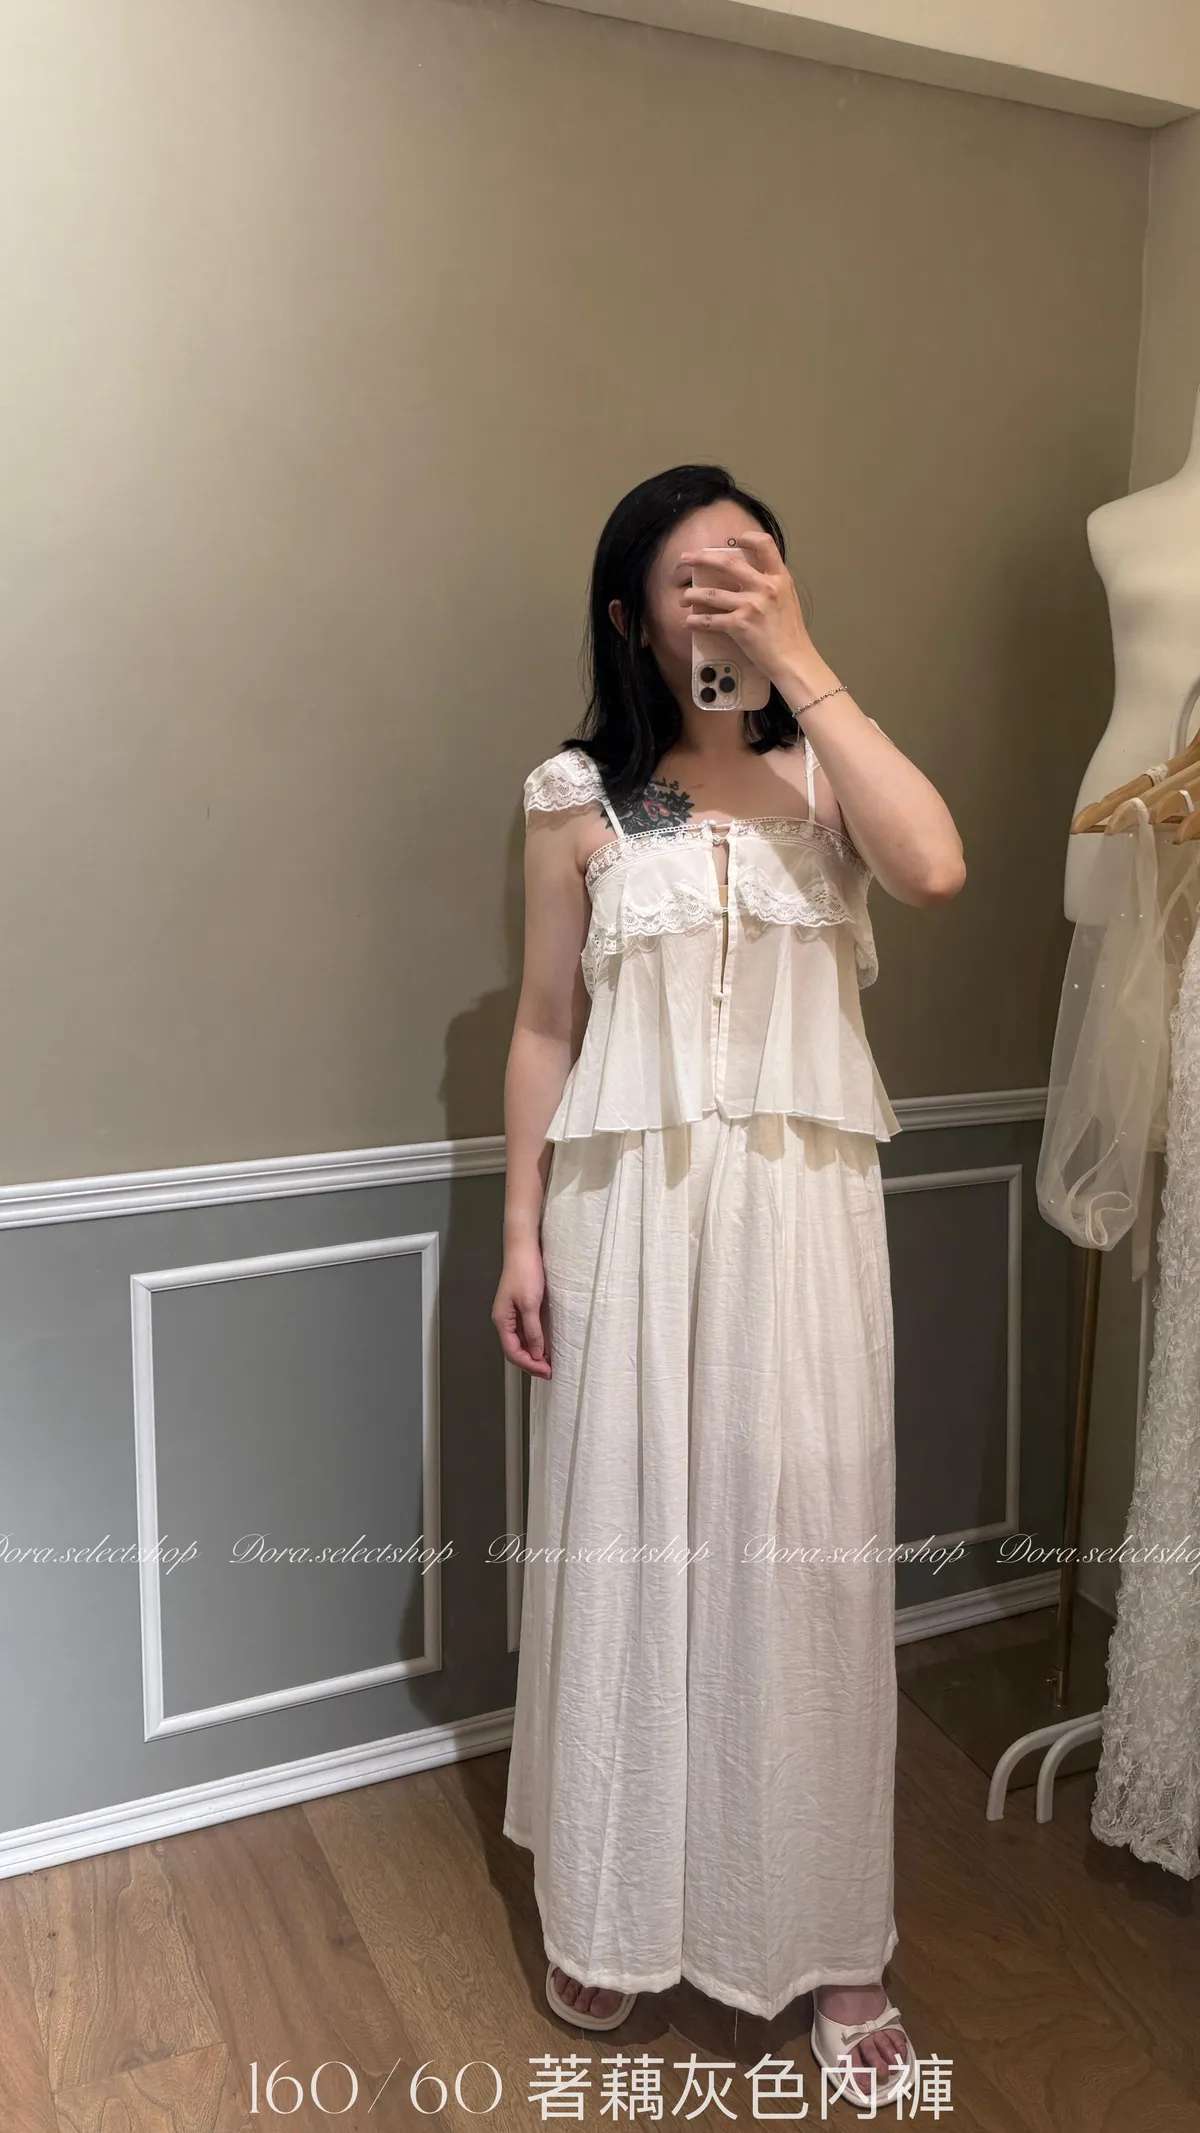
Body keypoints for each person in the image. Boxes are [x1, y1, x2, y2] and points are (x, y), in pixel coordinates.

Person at [493, 463, 965, 2111]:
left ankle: (837, 1940)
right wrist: (522, 1233)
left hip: (802, 1217)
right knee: (627, 1541)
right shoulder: (574, 798)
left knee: (809, 1550)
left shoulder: (828, 774)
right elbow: (543, 1026)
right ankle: (614, 1902)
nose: (726, 597)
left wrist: (799, 660)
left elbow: (935, 869)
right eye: (693, 580)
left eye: (753, 569)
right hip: (624, 1212)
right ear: (632, 615)